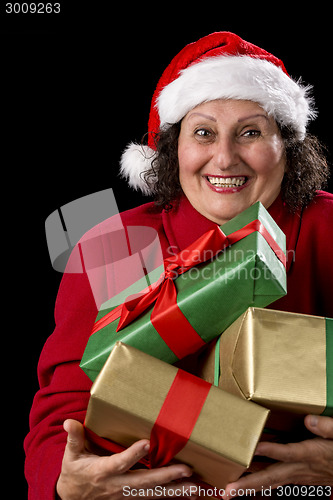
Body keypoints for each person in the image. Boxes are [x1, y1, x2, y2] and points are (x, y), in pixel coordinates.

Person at [24, 31, 333, 499]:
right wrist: (66, 483)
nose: (225, 157)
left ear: (287, 145)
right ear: (174, 150)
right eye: (203, 132)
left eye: (251, 132)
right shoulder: (114, 244)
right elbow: (63, 409)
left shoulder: (329, 229)